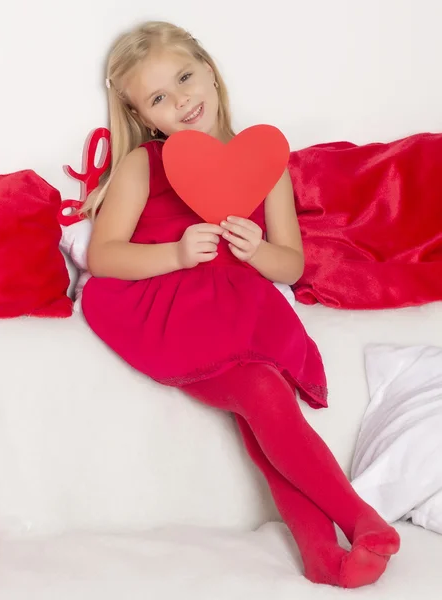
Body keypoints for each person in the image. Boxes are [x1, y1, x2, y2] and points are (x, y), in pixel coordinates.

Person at [81, 21, 400, 588]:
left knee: (264, 414)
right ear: (141, 117)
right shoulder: (143, 166)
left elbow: (292, 265)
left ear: (209, 71)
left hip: (242, 304)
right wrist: (178, 254)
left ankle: (322, 557)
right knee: (259, 394)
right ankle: (361, 519)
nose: (180, 100)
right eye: (158, 97)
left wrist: (257, 253)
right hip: (169, 310)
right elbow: (104, 256)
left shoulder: (262, 160)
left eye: (184, 78)